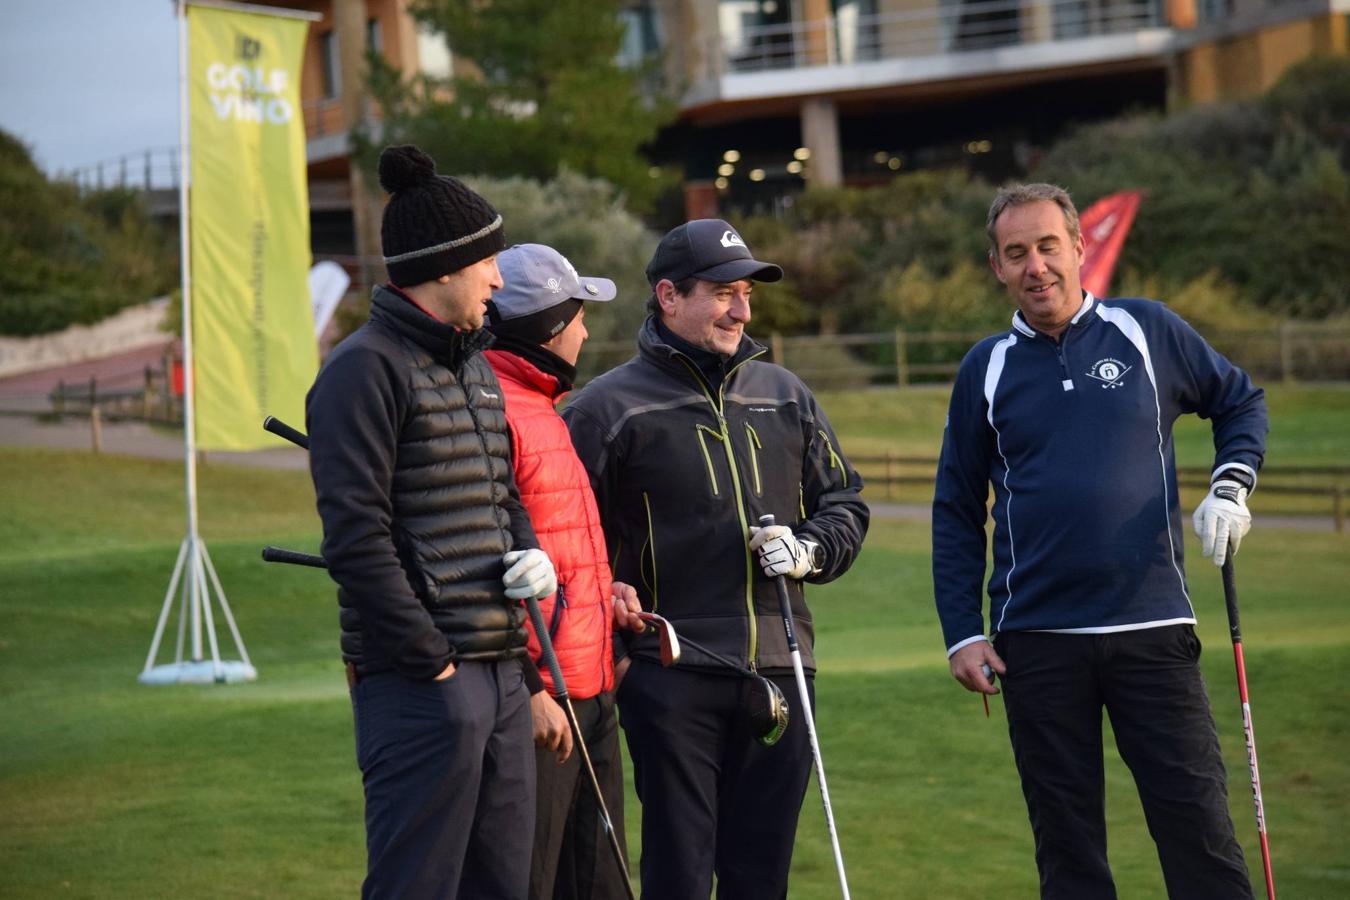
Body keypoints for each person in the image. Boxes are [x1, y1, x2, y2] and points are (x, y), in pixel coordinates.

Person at [933, 182, 1267, 899]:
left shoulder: (1147, 330)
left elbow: (1239, 401)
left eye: (1048, 246)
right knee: (1070, 853)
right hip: (1037, 642)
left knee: (1200, 837)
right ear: (996, 266)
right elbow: (957, 508)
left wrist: (1231, 484)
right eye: (1015, 253)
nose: (1036, 267)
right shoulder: (984, 369)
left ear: (1079, 247)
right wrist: (963, 632)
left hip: (1153, 628)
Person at [562, 218, 870, 899]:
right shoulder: (606, 409)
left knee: (762, 877)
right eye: (723, 291)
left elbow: (845, 502)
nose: (741, 309)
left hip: (783, 669)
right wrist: (607, 588)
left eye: (747, 294)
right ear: (669, 296)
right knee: (679, 871)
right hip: (670, 673)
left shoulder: (786, 395)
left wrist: (811, 550)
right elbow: (563, 536)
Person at [306, 144, 557, 900]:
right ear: (445, 268)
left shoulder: (475, 366)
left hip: (501, 672)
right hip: (423, 687)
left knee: (500, 886)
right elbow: (356, 539)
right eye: (488, 260)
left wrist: (530, 553)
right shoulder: (362, 370)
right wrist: (435, 664)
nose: (498, 277)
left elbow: (501, 493)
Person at [483, 242, 646, 899]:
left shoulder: (542, 407)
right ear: (550, 327)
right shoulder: (492, 410)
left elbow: (555, 547)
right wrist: (532, 688)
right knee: (532, 883)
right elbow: (482, 561)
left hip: (590, 687)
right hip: (543, 705)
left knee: (600, 885)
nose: (584, 328)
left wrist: (603, 597)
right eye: (576, 314)